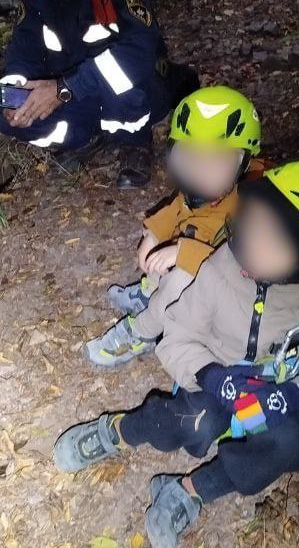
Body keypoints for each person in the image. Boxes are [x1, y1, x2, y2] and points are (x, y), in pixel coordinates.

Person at [53, 159, 299, 548]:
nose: (256, 242)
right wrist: (212, 375)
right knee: (197, 419)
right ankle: (115, 432)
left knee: (293, 443)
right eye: (256, 223)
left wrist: (295, 397)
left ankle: (188, 494)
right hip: (210, 376)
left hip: (270, 389)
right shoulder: (219, 269)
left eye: (278, 241)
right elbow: (178, 334)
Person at [0, 0, 179, 189]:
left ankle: (134, 142)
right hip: (79, 96)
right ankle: (85, 139)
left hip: (140, 90)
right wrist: (15, 91)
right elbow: (21, 52)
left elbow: (141, 53)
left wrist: (64, 88)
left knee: (122, 76)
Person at [86, 86, 266, 366]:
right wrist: (154, 232)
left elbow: (234, 266)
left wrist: (181, 252)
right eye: (190, 157)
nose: (201, 170)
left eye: (217, 160)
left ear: (243, 161)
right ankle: (149, 292)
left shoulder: (254, 204)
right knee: (167, 254)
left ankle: (142, 332)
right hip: (201, 273)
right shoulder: (205, 188)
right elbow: (177, 208)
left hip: (228, 297)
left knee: (180, 278)